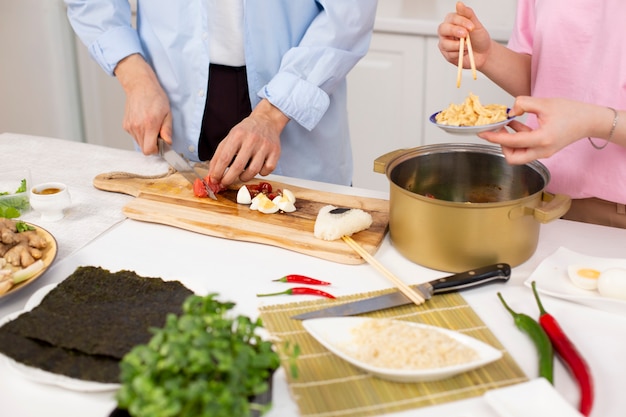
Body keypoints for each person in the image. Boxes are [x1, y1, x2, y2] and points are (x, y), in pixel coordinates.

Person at [64, 1, 377, 187]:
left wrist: (272, 114)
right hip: (169, 108)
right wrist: (135, 77)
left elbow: (349, 15)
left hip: (291, 113)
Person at [437, 1, 626, 228]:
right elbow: (544, 80)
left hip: (616, 212)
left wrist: (593, 122)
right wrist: (487, 56)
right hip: (544, 194)